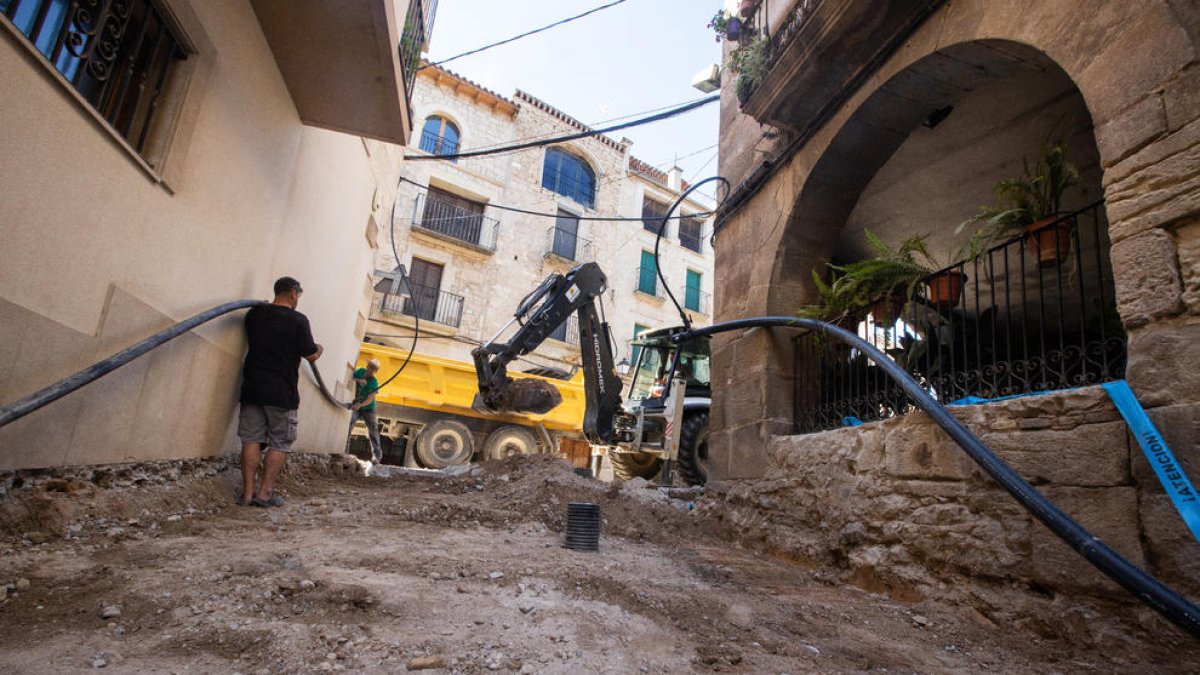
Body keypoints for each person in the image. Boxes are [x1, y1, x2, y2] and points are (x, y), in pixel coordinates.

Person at [237, 276, 322, 507]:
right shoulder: (298, 320)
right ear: (293, 293)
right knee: (279, 443)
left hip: (252, 387)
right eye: (298, 296)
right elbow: (311, 354)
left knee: (250, 439)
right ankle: (264, 494)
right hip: (281, 393)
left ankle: (246, 494)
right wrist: (319, 348)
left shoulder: (254, 314)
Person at [349, 358, 383, 464]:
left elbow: (370, 399)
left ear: (375, 371)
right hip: (357, 404)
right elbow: (351, 378)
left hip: (368, 408)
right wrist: (359, 381)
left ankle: (377, 456)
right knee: (349, 423)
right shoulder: (360, 372)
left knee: (373, 430)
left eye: (373, 369)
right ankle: (344, 450)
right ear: (367, 366)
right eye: (370, 367)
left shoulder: (373, 382)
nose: (370, 370)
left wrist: (361, 405)